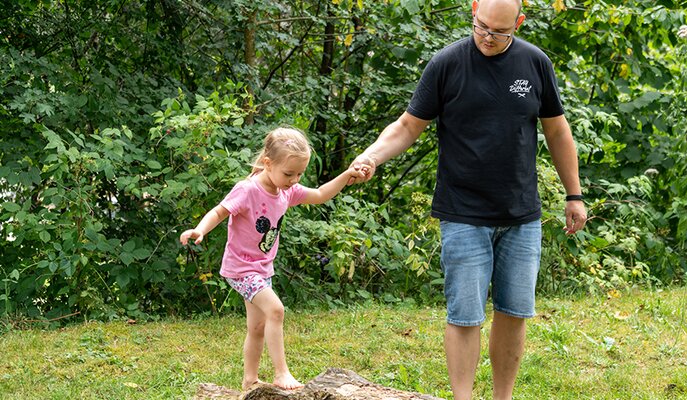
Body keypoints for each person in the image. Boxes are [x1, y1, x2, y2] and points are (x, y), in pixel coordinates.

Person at [348, 0, 588, 398]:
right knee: (465, 316)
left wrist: (574, 194)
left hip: (520, 214)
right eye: (481, 27)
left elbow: (558, 132)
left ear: (519, 23)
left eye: (500, 32)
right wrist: (370, 155)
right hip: (462, 212)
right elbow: (408, 126)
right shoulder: (447, 64)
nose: (488, 38)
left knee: (513, 313)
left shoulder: (535, 63)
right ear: (474, 10)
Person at [179, 127, 363, 391]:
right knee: (276, 310)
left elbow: (321, 194)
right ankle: (281, 373)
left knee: (257, 327)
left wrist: (347, 175)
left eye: (299, 173)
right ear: (268, 163)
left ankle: (249, 380)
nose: (294, 180)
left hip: (262, 269)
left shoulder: (286, 190)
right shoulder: (248, 190)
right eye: (289, 173)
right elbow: (219, 212)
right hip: (241, 270)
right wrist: (200, 229)